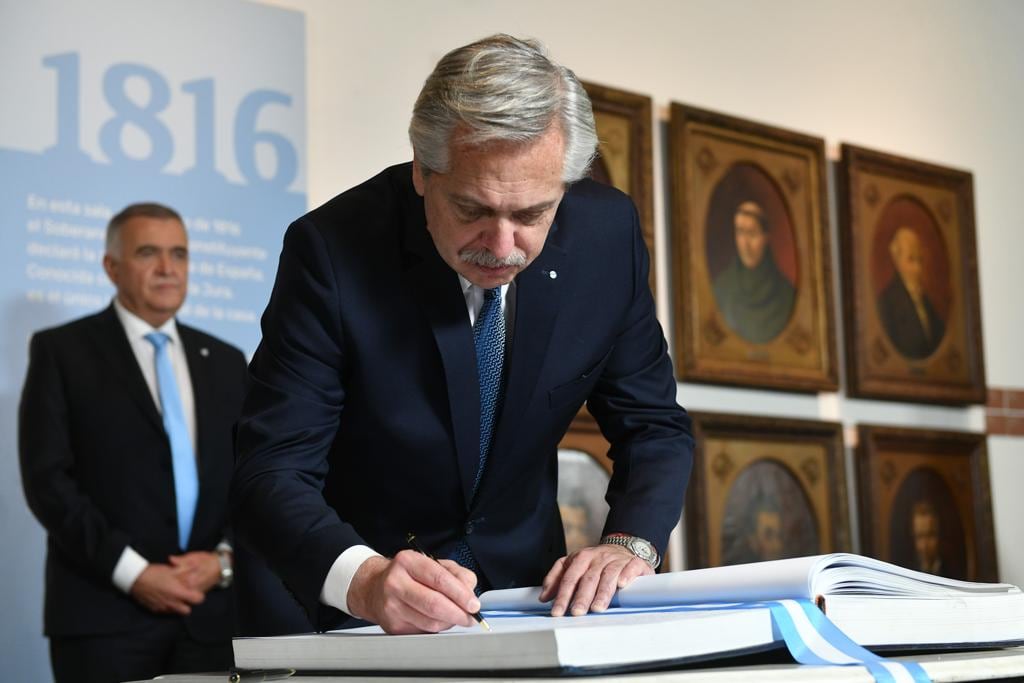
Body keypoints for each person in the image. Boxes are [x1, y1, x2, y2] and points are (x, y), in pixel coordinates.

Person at [232, 34, 693, 636]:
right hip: (355, 610)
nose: (503, 248)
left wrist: (632, 543)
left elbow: (654, 425)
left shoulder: (607, 237)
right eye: (473, 209)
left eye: (531, 215)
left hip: (526, 603)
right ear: (423, 171)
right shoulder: (332, 250)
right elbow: (272, 467)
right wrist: (365, 581)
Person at [19, 203, 247, 683]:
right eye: (149, 253)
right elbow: (49, 482)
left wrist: (223, 562)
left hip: (211, 619)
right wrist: (134, 573)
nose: (168, 269)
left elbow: (251, 477)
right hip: (103, 618)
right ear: (111, 267)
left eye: (179, 254)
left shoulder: (226, 361)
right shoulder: (62, 352)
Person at [711, 200, 796, 344]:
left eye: (752, 233)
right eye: (740, 232)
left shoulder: (786, 294)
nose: (745, 243)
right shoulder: (721, 288)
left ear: (765, 237)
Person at [876, 226, 946, 359]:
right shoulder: (887, 302)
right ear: (897, 261)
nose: (918, 268)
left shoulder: (926, 302)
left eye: (919, 259)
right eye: (911, 259)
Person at [911, 500, 942, 575]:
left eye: (930, 535)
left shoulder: (953, 570)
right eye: (919, 537)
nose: (925, 546)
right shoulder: (909, 571)